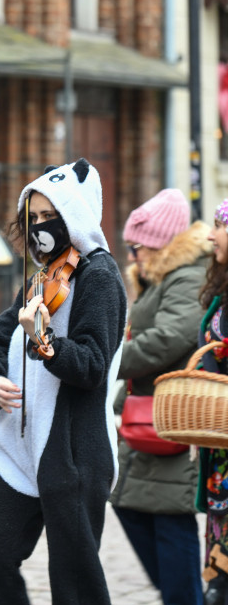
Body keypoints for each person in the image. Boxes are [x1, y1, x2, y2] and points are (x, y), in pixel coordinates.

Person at [0, 159, 127, 605]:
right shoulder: (44, 277)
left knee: (75, 584)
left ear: (73, 214)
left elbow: (92, 366)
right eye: (32, 218)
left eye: (48, 216)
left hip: (73, 454)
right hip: (18, 451)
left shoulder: (99, 277)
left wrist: (42, 339)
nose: (39, 226)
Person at [110, 188, 206, 605]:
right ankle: (179, 595)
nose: (132, 256)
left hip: (173, 413)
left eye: (137, 247)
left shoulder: (187, 276)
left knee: (169, 516)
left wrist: (110, 361)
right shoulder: (164, 277)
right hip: (148, 413)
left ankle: (184, 598)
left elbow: (172, 337)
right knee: (128, 504)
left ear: (161, 244)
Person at [195, 197, 228, 605]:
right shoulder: (222, 286)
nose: (210, 235)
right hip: (220, 449)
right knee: (218, 578)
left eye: (219, 226)